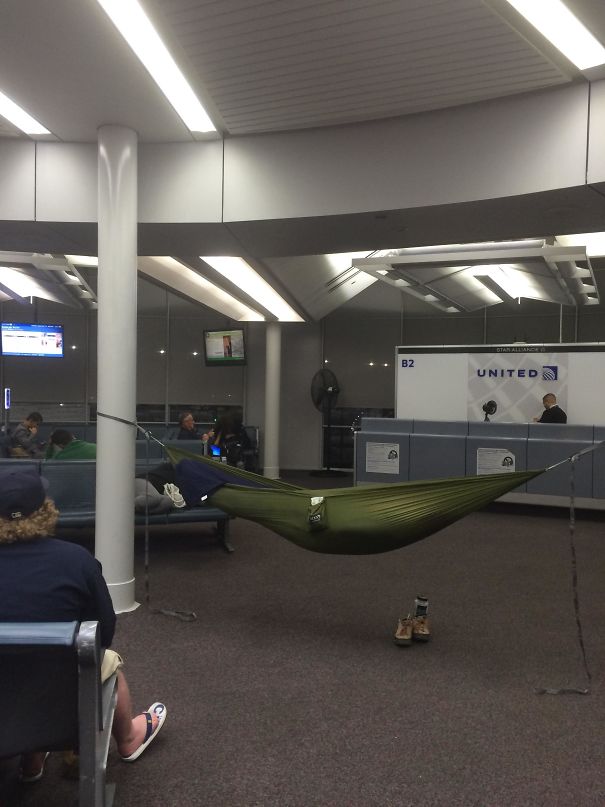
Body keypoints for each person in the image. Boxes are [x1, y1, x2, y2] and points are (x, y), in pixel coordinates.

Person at [0, 467, 167, 781]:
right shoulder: (76, 560)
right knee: (104, 660)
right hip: (58, 707)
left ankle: (31, 760)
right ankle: (129, 738)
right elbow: (103, 632)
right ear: (45, 510)